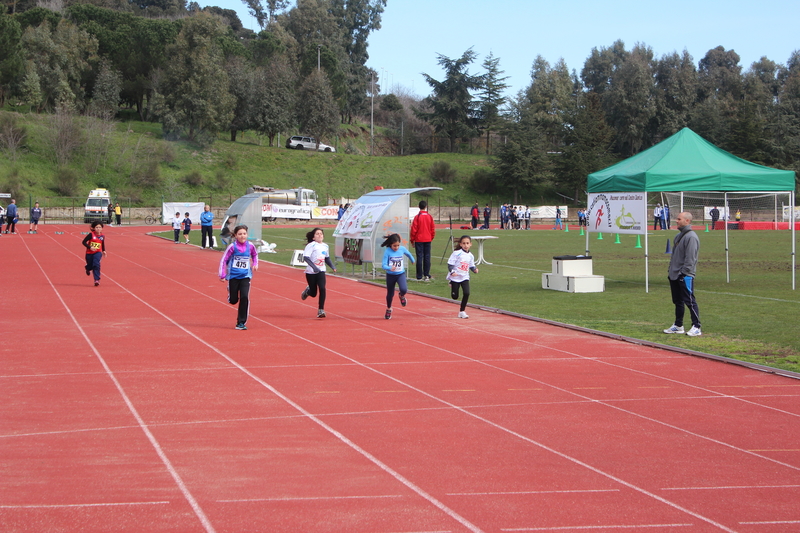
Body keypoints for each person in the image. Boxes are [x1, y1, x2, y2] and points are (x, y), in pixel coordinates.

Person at [663, 212, 701, 337]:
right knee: (677, 301)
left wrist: (683, 274)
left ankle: (696, 326)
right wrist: (671, 271)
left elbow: (690, 259)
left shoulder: (691, 237)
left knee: (689, 300)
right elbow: (675, 256)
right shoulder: (678, 236)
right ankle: (678, 325)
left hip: (685, 276)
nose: (676, 221)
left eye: (679, 219)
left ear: (687, 221)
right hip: (674, 274)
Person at [219, 224, 259, 330]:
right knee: (233, 300)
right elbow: (224, 260)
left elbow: (255, 254)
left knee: (245, 297)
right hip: (233, 276)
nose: (242, 236)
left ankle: (241, 322)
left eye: (244, 234)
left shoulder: (250, 246)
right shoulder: (232, 247)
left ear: (247, 234)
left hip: (246, 276)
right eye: (240, 234)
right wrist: (222, 274)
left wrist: (255, 263)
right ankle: (230, 293)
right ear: (236, 235)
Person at [301, 228, 337, 318]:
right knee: (313, 293)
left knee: (322, 288)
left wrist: (332, 266)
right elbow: (306, 257)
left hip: (321, 271)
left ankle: (321, 310)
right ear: (313, 237)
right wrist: (314, 267)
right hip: (311, 272)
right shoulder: (311, 245)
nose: (320, 235)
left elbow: (327, 258)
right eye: (317, 234)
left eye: (321, 234)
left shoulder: (325, 246)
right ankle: (308, 291)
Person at [380, 233, 415, 320]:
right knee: (390, 294)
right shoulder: (387, 251)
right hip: (391, 275)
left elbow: (408, 254)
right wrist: (389, 268)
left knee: (404, 289)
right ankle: (388, 309)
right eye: (394, 246)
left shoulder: (402, 249)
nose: (396, 248)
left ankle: (401, 295)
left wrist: (412, 260)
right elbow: (383, 265)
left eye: (398, 245)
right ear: (390, 245)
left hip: (400, 274)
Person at [447, 235, 479, 319]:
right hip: (455, 277)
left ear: (470, 244)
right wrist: (452, 272)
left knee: (467, 293)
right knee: (455, 297)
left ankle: (462, 311)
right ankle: (451, 283)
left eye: (467, 243)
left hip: (464, 277)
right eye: (464, 243)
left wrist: (475, 269)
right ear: (460, 244)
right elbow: (450, 264)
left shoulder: (471, 256)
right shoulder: (456, 253)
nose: (466, 245)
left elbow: (471, 265)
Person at [409, 200, 436, 281]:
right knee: (427, 257)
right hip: (427, 239)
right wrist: (431, 237)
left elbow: (414, 229)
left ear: (419, 207)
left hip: (419, 239)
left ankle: (419, 275)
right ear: (426, 206)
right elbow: (432, 229)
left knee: (419, 257)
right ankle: (426, 274)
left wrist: (412, 240)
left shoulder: (417, 217)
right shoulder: (429, 216)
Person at [82, 221, 107, 287]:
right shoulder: (91, 235)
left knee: (96, 265)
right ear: (93, 228)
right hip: (89, 253)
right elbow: (83, 242)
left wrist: (104, 250)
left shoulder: (102, 236)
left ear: (102, 228)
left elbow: (102, 243)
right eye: (96, 227)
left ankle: (96, 280)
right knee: (90, 265)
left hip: (98, 252)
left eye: (100, 227)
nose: (98, 229)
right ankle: (87, 268)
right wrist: (90, 247)